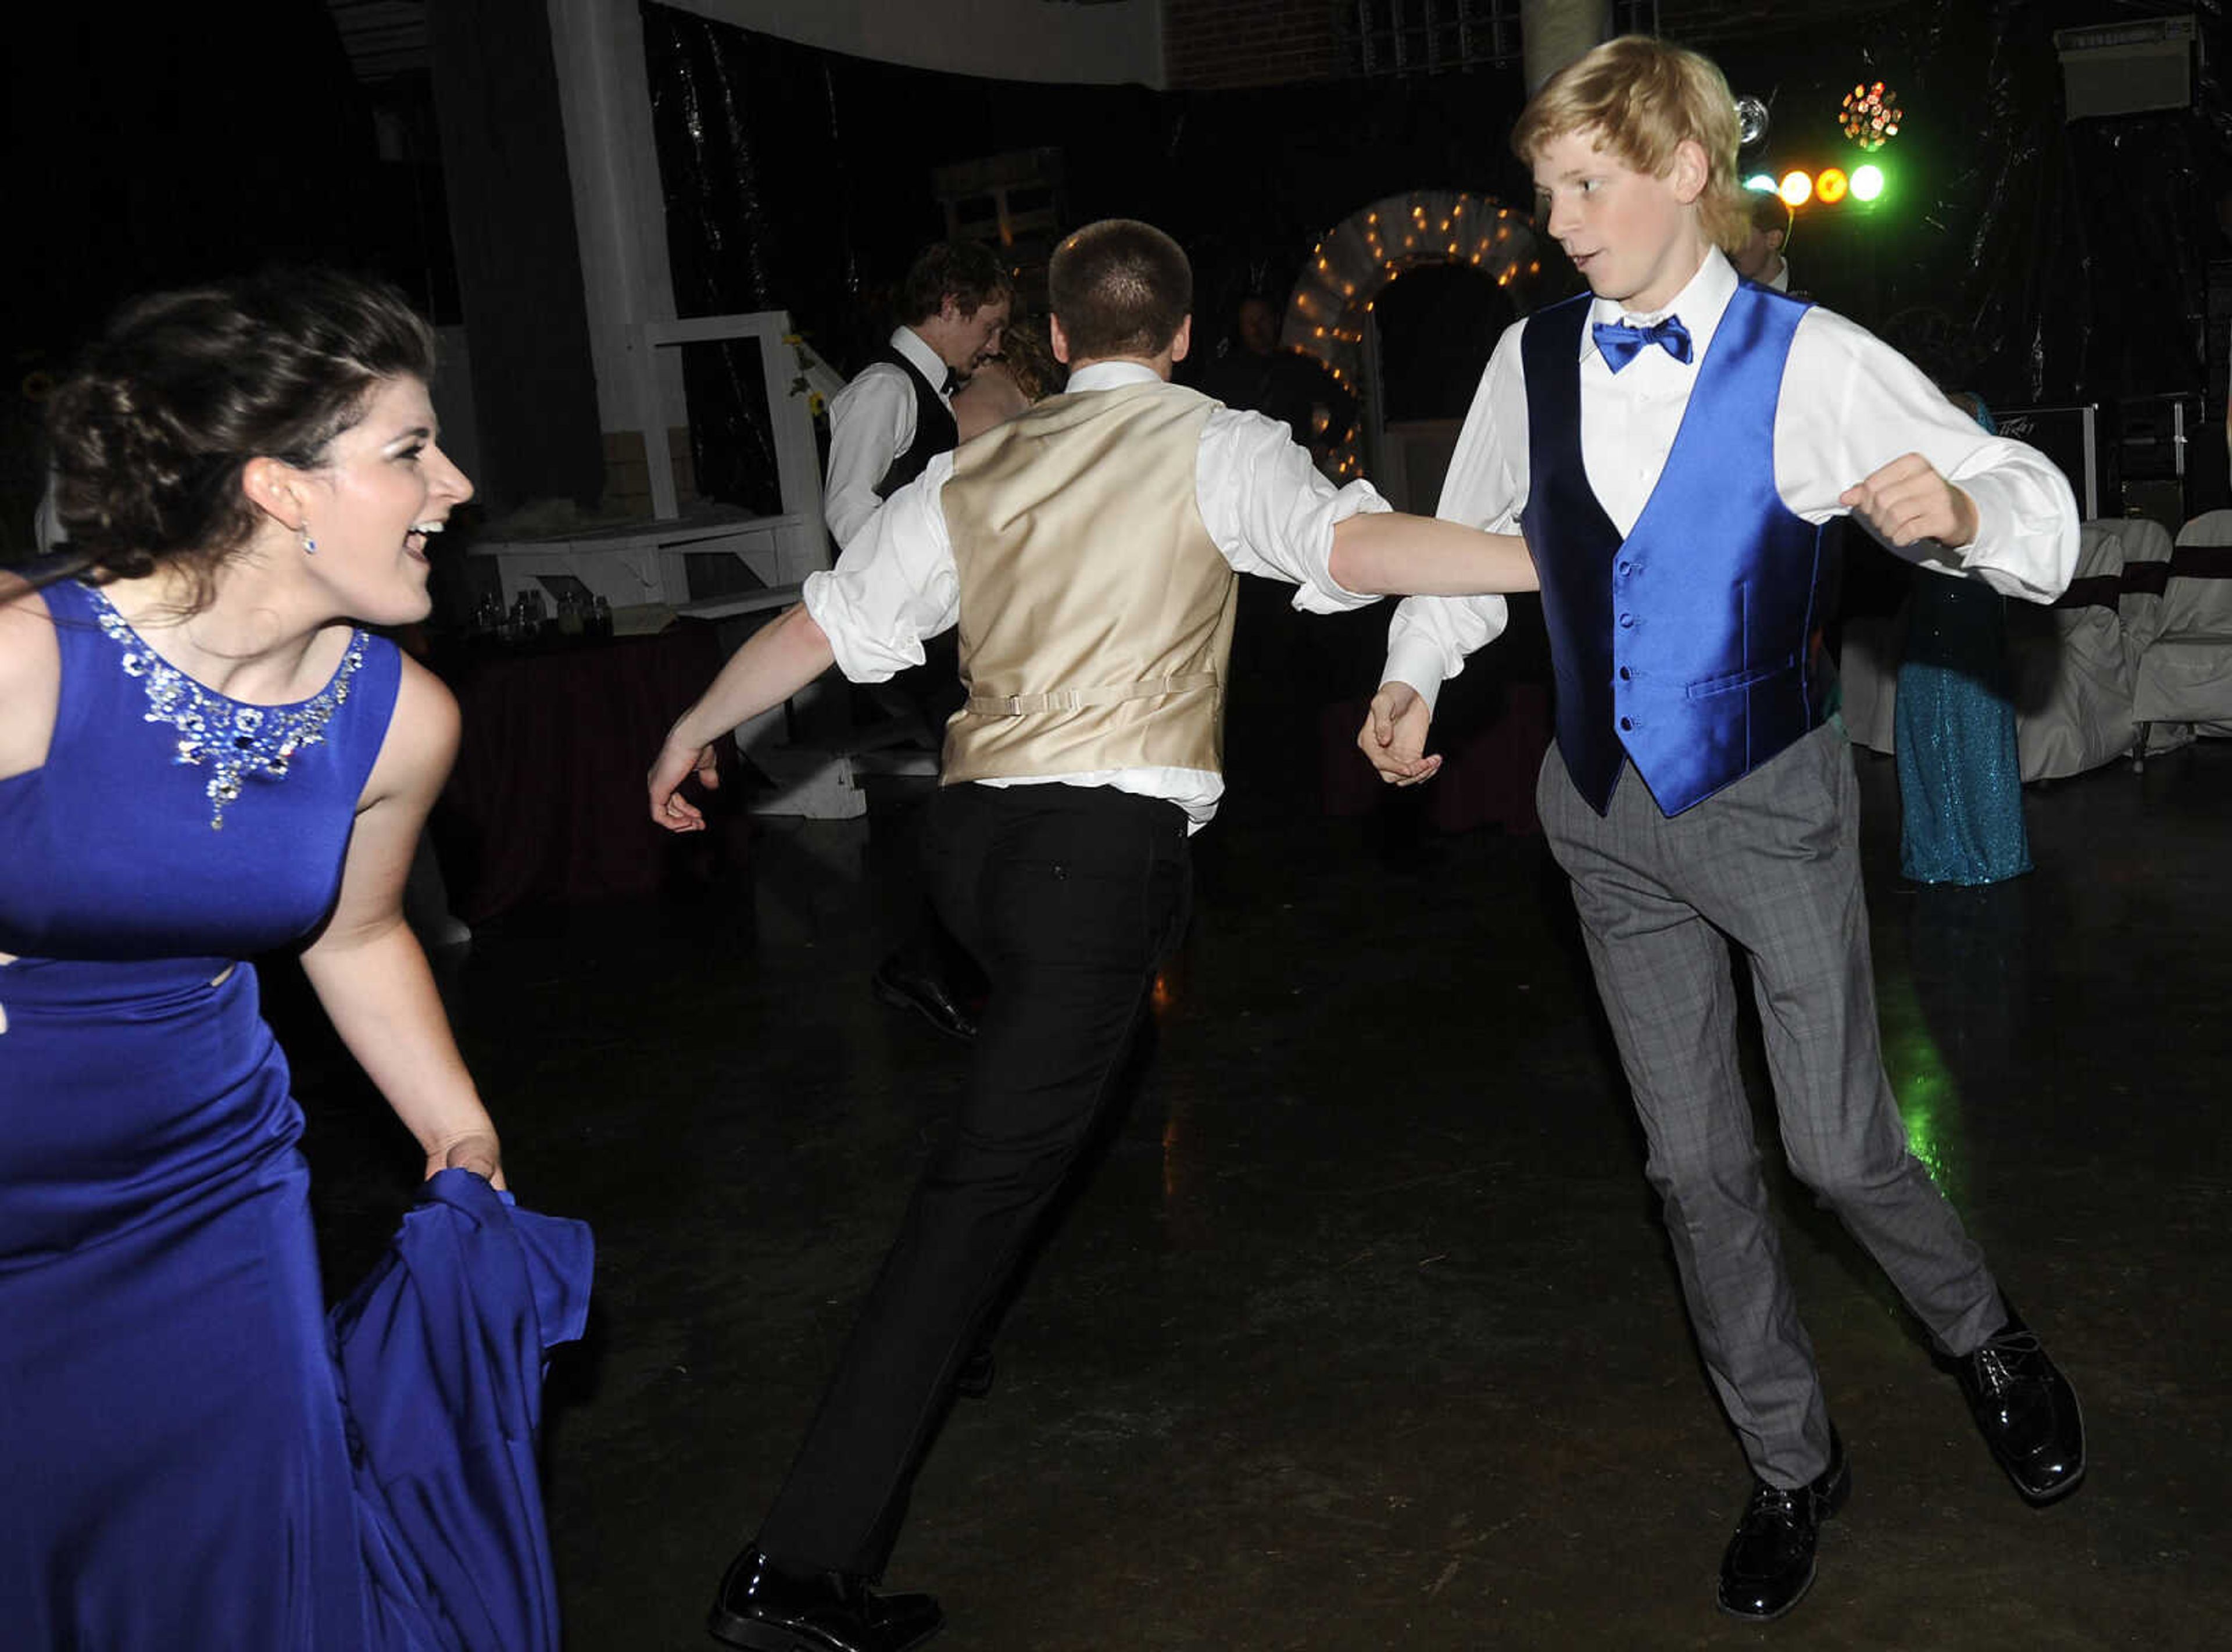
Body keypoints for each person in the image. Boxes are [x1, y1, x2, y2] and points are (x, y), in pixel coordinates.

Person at [649, 218, 1537, 1652]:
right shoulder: (1215, 441)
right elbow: (1355, 546)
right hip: (1090, 864)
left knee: (1051, 1092)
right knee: (977, 1195)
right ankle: (795, 1566)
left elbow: (823, 626)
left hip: (971, 857)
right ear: (1179, 335)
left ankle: (970, 1303)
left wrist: (693, 722)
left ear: (1053, 339)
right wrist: (1551, 564)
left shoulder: (970, 464)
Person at [1357, 37, 2086, 1624]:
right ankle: (1787, 1459)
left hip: (1770, 806)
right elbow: (1472, 538)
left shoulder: (1808, 356)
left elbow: (2030, 499)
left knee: (1833, 1145)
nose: (1556, 220)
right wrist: (1414, 674)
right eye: (1545, 187)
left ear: (1686, 171)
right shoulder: (1533, 357)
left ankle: (1987, 1339)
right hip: (1602, 821)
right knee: (1692, 1166)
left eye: (1586, 184)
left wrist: (1961, 514)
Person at [0, 269, 590, 1649]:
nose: (453, 484)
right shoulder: (30, 667)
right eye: (408, 452)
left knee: (244, 1561)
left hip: (206, 1190)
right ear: (278, 489)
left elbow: (357, 928)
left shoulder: (400, 722)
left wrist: (461, 1131)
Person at [825, 242, 1014, 1042]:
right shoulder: (882, 388)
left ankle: (941, 963)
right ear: (951, 306)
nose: (997, 344)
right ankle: (927, 964)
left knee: (976, 792)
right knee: (975, 794)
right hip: (911, 635)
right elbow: (844, 510)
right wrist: (919, 585)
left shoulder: (923, 392)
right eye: (992, 325)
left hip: (930, 630)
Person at [1895, 392, 2033, 885]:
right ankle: (1957, 850)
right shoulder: (1939, 410)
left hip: (1962, 576)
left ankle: (1974, 850)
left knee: (1963, 706)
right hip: (1945, 578)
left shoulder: (1951, 411)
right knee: (1939, 704)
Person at [1732, 184, 1793, 292]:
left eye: (1740, 236)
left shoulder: (1817, 297)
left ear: (1774, 240)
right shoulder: (1721, 292)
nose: (1730, 246)